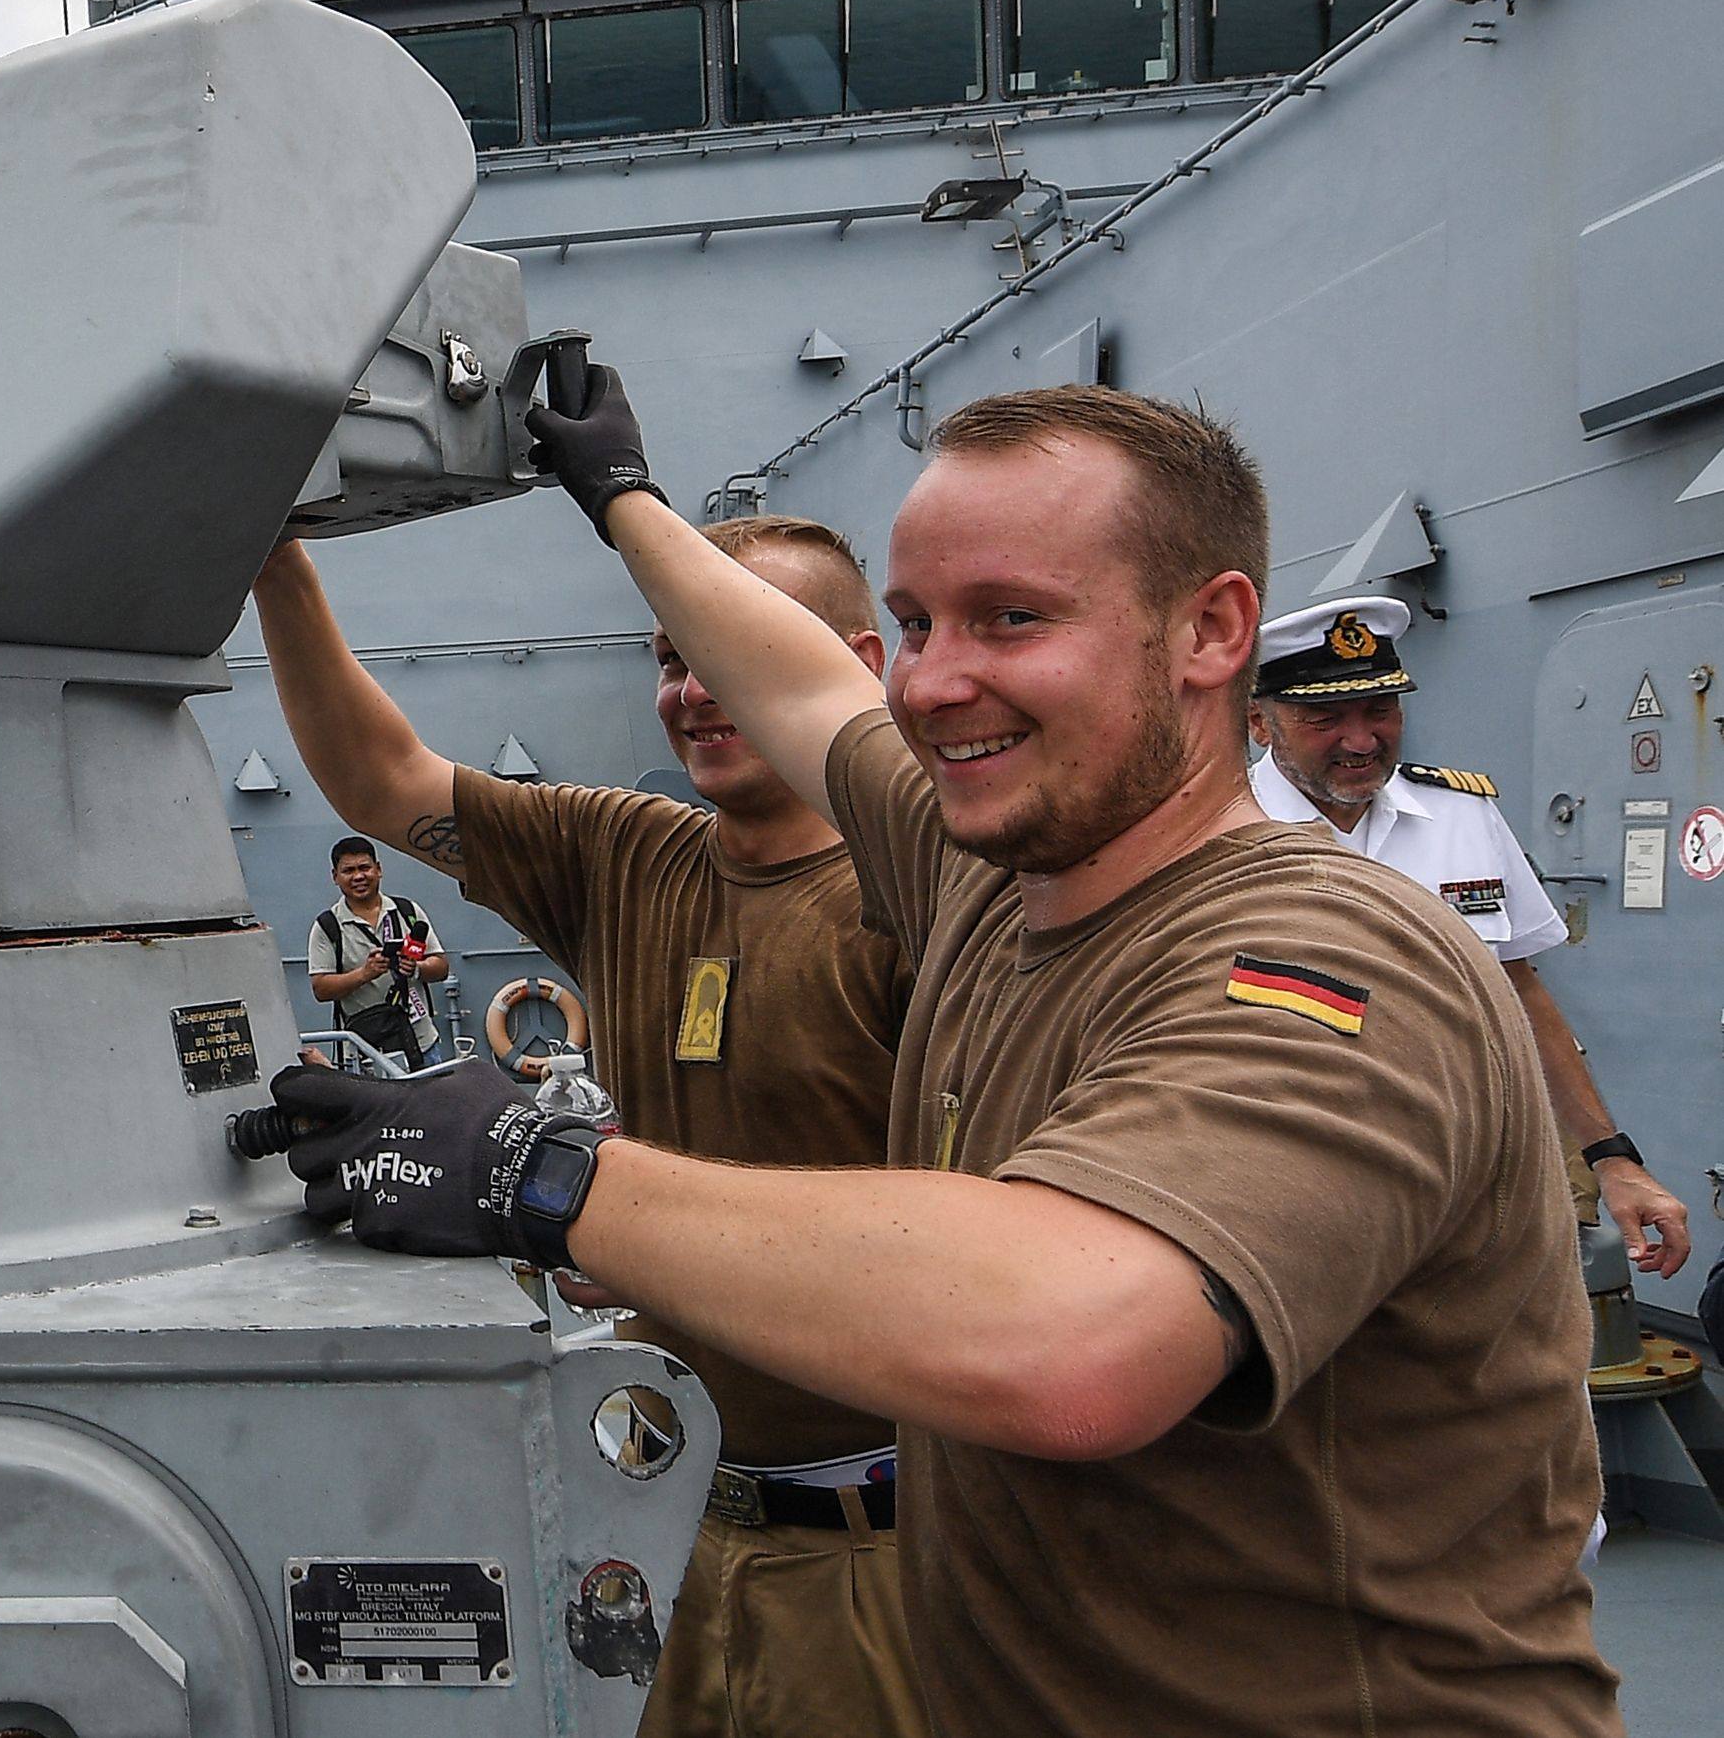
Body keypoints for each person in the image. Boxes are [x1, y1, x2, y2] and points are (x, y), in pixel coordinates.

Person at [261, 375, 1613, 1735]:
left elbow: (1079, 1336)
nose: (930, 678)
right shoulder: (987, 871)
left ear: (1209, 630)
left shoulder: (1327, 949)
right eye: (912, 625)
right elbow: (800, 685)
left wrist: (540, 1171)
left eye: (1010, 618)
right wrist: (622, 502)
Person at [255, 528, 921, 1738]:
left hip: (874, 1548)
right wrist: (273, 566)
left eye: (722, 651)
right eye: (670, 658)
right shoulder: (630, 855)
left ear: (854, 663)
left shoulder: (925, 903)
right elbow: (383, 778)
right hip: (665, 1520)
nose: (691, 690)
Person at [1249, 594, 1690, 1278]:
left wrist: (1614, 1157)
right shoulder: (1217, 840)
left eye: (1381, 710)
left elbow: (1518, 990)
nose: (1363, 741)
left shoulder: (1460, 815)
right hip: (1292, 1196)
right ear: (1260, 724)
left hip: (1465, 1186)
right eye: (1325, 718)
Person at [303, 833, 448, 1067]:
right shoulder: (327, 926)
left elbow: (440, 966)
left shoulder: (407, 911)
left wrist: (416, 969)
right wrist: (364, 974)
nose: (359, 876)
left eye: (365, 868)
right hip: (367, 1051)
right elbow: (321, 988)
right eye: (348, 871)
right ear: (335, 877)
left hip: (422, 1043)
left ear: (378, 869)